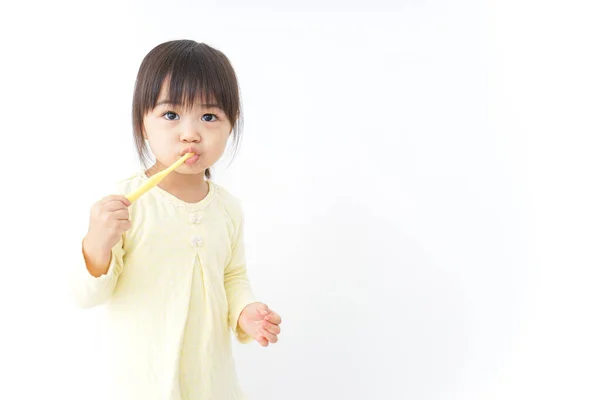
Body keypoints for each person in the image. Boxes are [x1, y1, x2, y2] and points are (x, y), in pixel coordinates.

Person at [68, 39, 282, 400]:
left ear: (231, 127)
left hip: (211, 382)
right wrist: (97, 242)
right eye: (170, 115)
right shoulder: (126, 205)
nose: (190, 133)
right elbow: (85, 296)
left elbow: (232, 276)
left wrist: (245, 311)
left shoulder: (227, 209)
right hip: (141, 384)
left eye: (209, 117)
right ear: (142, 124)